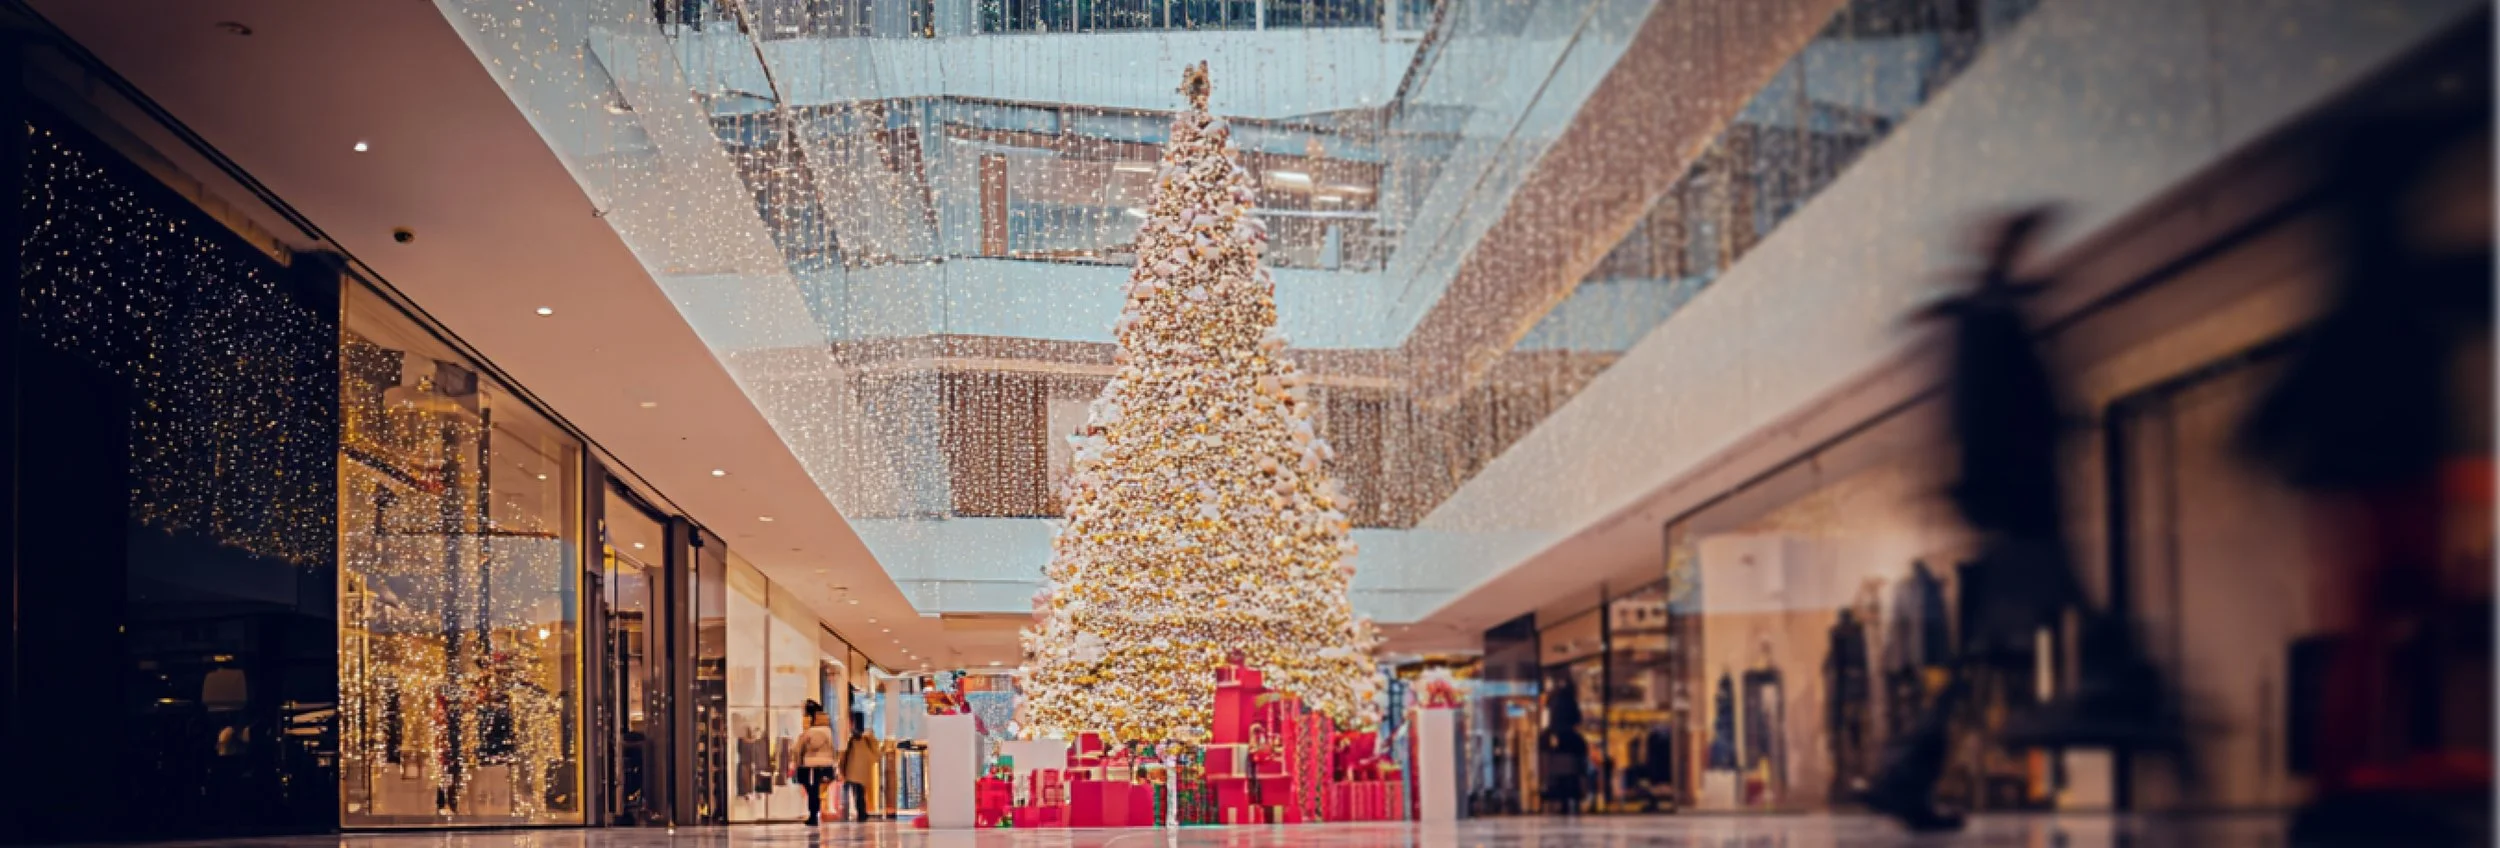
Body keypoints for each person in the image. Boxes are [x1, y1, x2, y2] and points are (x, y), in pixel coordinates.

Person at [1538, 684, 1589, 815]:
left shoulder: (1546, 738)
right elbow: (1582, 765)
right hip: (1571, 785)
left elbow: (1542, 763)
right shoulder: (1577, 740)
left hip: (1553, 784)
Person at [794, 701, 838, 824]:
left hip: (809, 764)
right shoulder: (828, 732)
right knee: (817, 789)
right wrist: (834, 761)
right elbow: (832, 748)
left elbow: (799, 749)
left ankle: (813, 814)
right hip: (825, 763)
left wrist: (797, 761)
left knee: (811, 789)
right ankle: (815, 812)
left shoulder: (807, 733)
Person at [839, 715, 881, 822]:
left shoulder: (856, 739)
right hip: (858, 771)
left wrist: (842, 768)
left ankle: (857, 813)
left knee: (856, 792)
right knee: (859, 792)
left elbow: (845, 755)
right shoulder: (861, 739)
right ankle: (860, 813)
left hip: (852, 771)